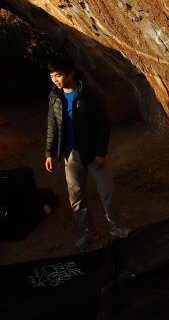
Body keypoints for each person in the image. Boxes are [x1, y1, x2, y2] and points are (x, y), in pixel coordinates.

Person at [44, 56, 128, 249]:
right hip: (70, 154)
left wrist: (101, 152)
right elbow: (52, 126)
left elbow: (102, 125)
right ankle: (88, 232)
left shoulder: (89, 93)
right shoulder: (54, 97)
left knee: (107, 192)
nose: (55, 80)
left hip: (92, 151)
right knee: (76, 197)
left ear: (70, 73)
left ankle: (117, 227)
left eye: (58, 75)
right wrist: (49, 152)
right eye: (52, 77)